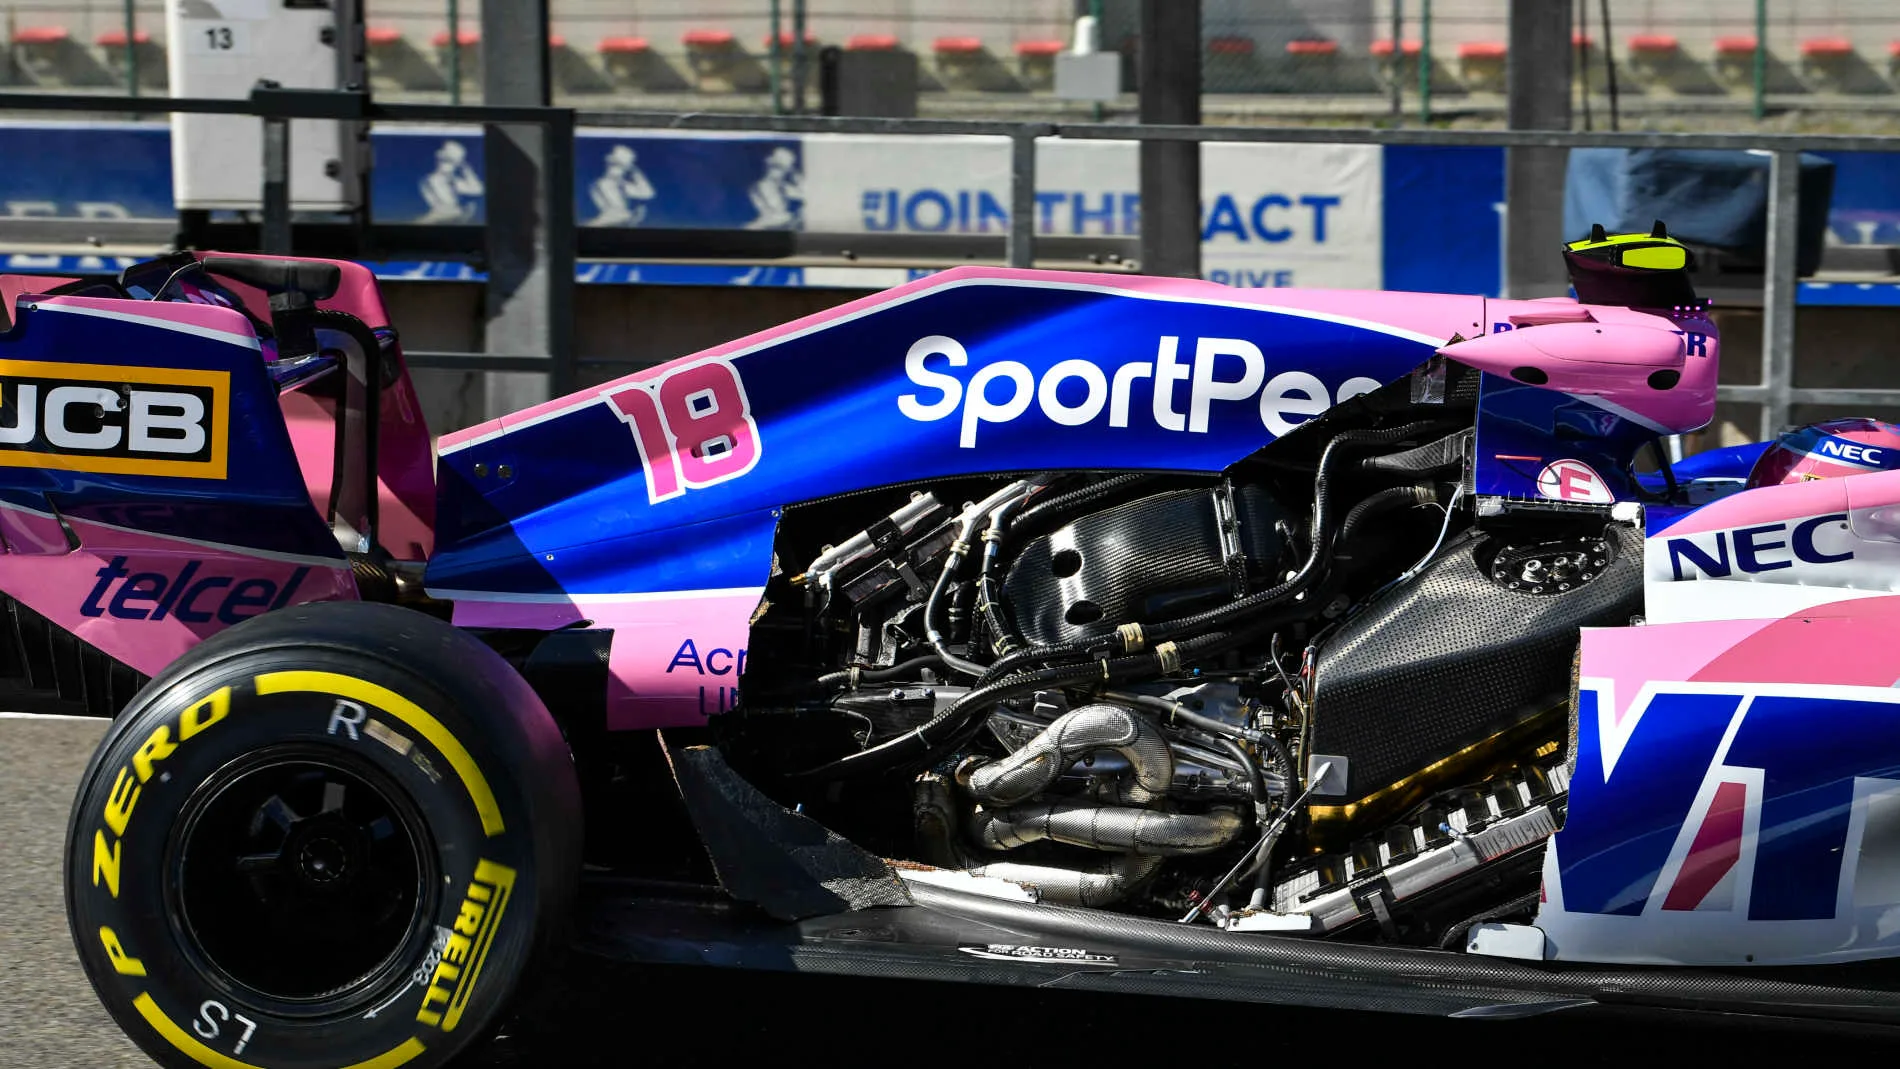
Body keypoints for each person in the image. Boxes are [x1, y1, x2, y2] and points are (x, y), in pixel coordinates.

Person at [589, 144, 656, 226]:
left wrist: (635, 171)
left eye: (621, 167)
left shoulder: (623, 185)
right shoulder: (599, 183)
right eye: (614, 164)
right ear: (607, 164)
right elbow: (613, 211)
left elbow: (649, 194)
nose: (617, 170)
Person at [418, 140, 484, 224]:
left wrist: (465, 168)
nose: (449, 165)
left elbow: (478, 190)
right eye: (446, 160)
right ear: (439, 159)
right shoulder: (428, 180)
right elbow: (442, 206)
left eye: (452, 162)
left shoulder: (454, 181)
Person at [745, 146, 803, 230]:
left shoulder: (784, 187)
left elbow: (806, 195)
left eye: (783, 168)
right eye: (776, 166)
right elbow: (773, 215)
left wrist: (795, 176)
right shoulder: (759, 187)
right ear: (768, 163)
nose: (780, 172)